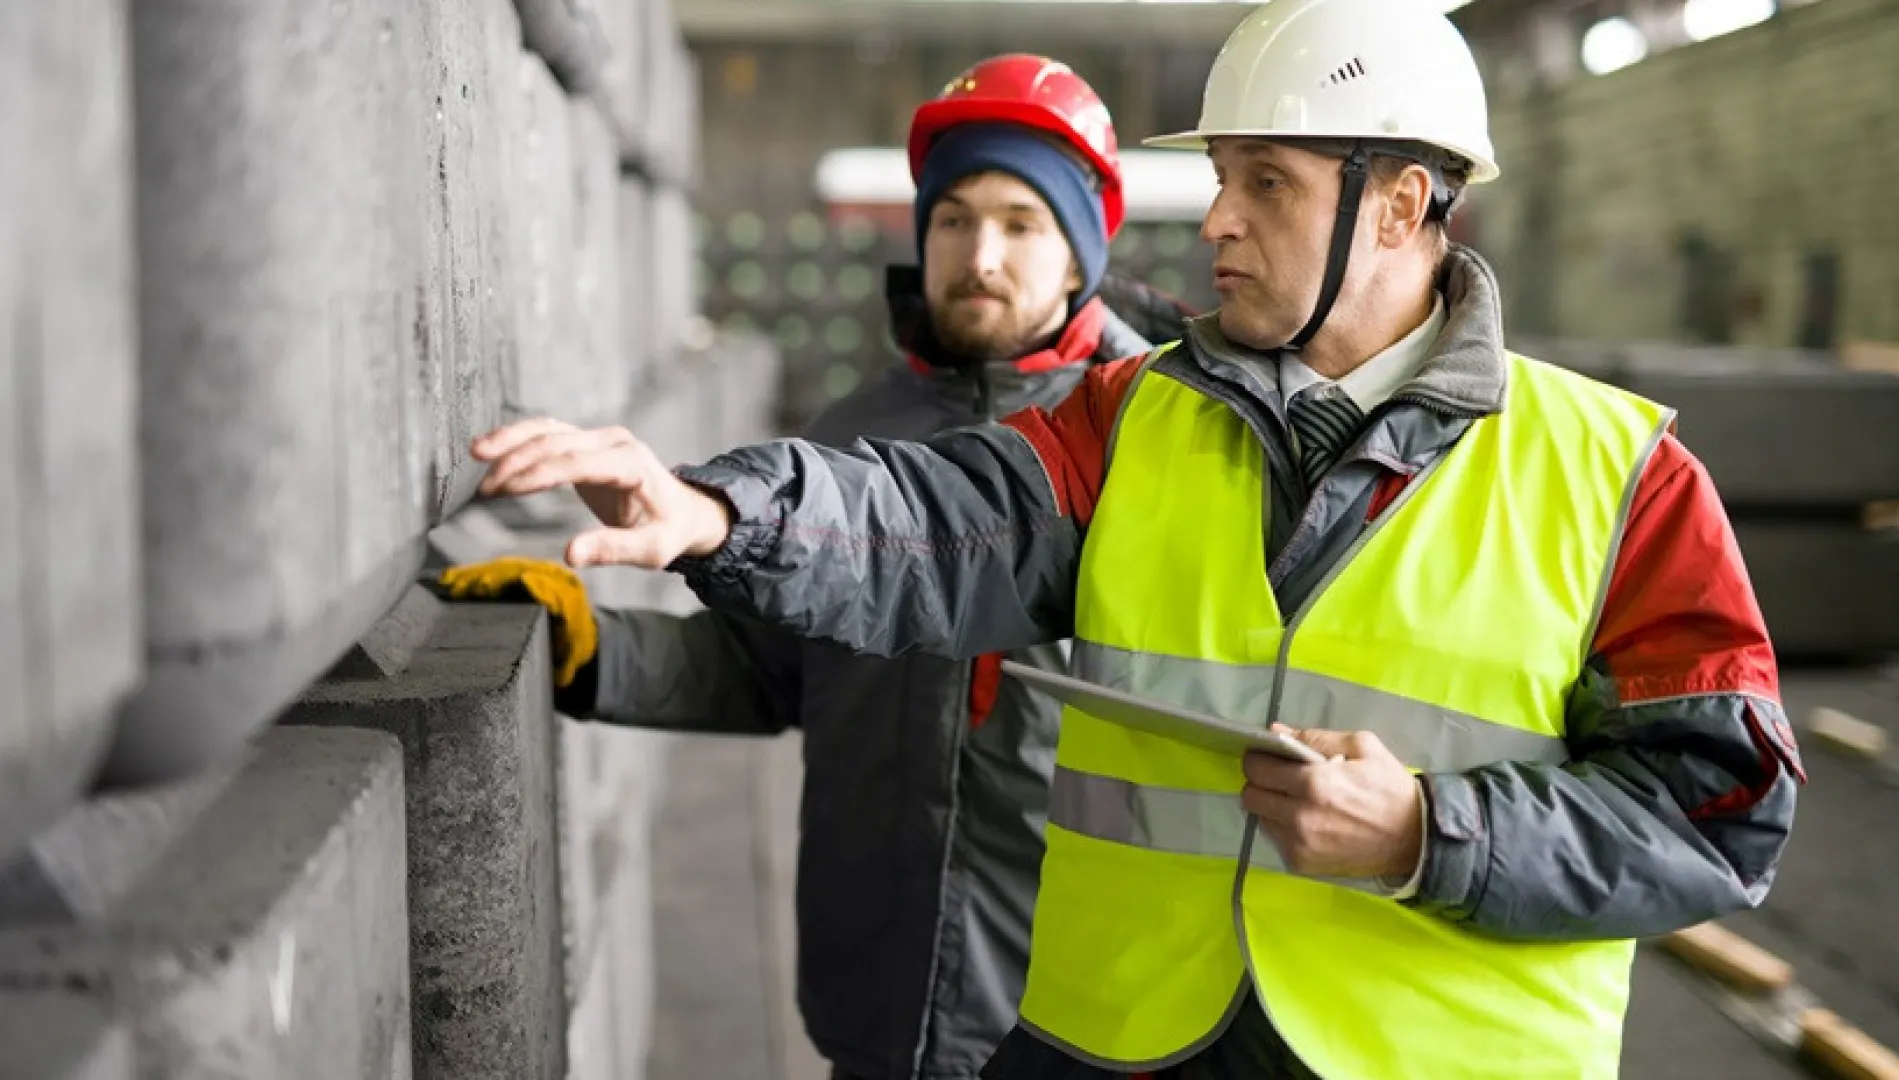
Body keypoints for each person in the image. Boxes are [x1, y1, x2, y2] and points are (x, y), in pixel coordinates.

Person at [464, 1, 1804, 1076]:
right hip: (1114, 1043)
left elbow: (1723, 805)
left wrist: (1429, 836)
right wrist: (714, 510)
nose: (1215, 220)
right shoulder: (1138, 416)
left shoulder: (1620, 479)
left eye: (1263, 183)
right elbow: (940, 515)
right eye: (1221, 180)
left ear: (1402, 207)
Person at [443, 55, 1155, 1080]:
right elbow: (778, 671)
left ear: (1084, 249)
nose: (979, 253)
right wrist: (594, 649)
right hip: (874, 1006)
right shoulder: (859, 436)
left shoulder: (1159, 446)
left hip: (1073, 1028)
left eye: (1021, 221)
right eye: (953, 217)